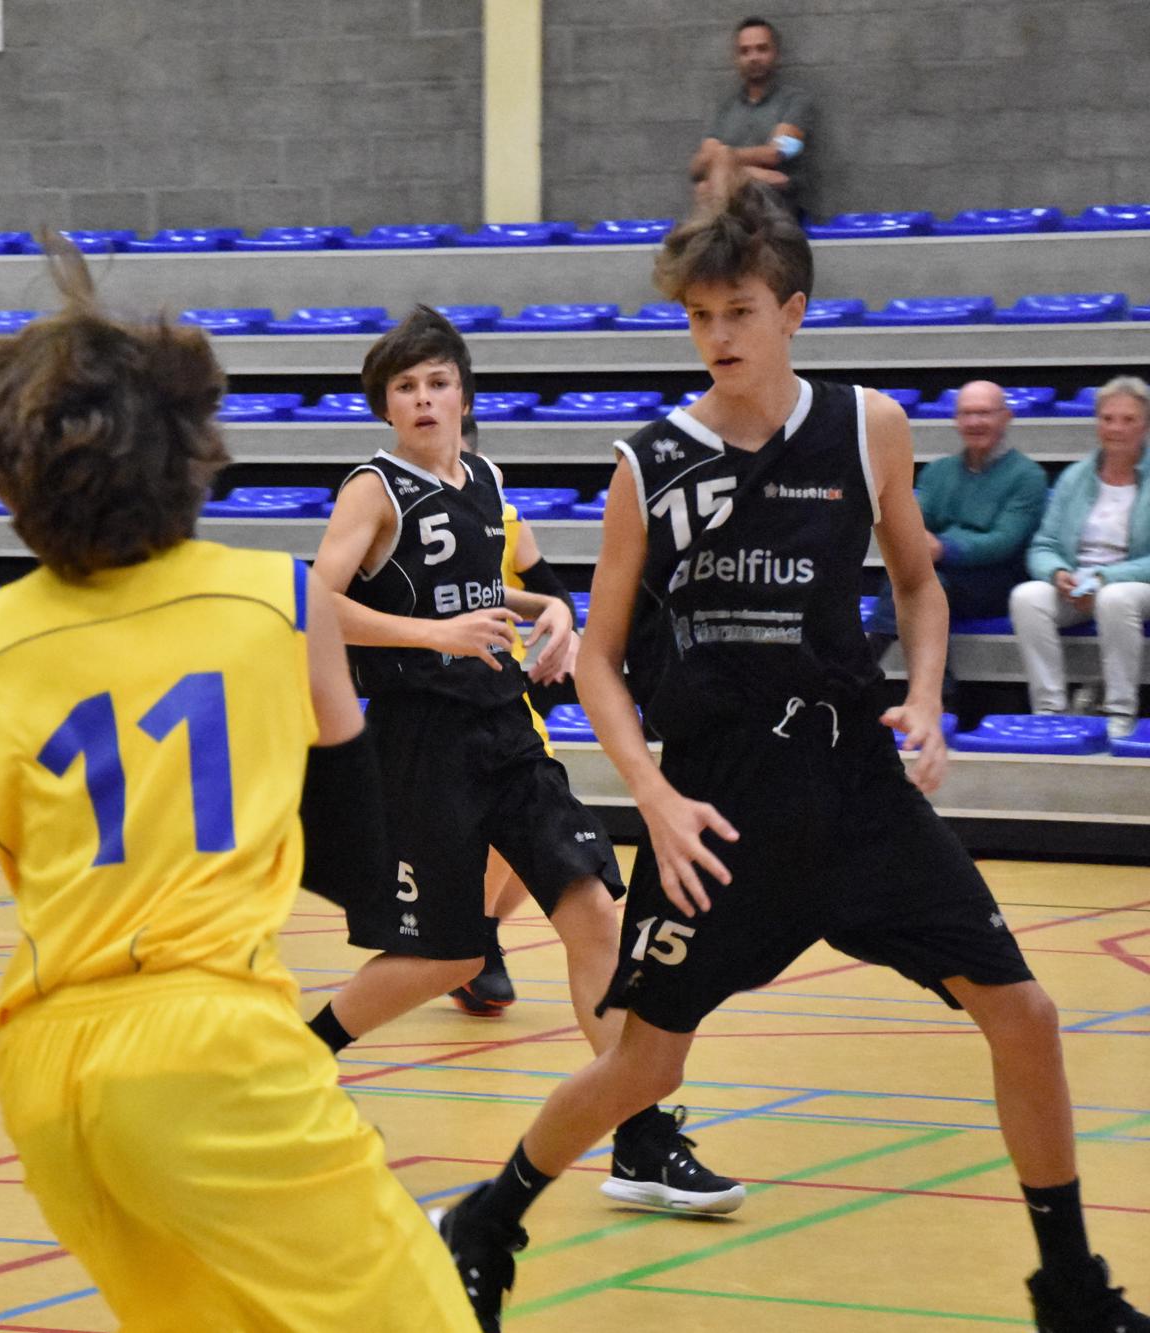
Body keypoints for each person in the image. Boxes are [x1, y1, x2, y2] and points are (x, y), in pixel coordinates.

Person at [433, 153, 1149, 1333]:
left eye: (738, 312)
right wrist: (651, 796)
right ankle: (484, 1219)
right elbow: (597, 658)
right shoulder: (649, 462)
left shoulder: (866, 427)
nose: (715, 336)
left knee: (1021, 1013)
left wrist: (926, 697)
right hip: (717, 807)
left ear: (792, 311)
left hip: (853, 786)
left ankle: (1067, 1286)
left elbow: (916, 584)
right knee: (643, 1066)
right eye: (697, 317)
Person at [0, 240, 478, 1329]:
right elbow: (355, 853)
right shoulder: (282, 601)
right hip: (211, 1046)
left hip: (49, 1077)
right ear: (193, 450)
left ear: (6, 482)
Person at [304, 307, 743, 1215]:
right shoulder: (374, 490)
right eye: (406, 387)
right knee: (442, 957)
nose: (425, 399)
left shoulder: (484, 480)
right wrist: (434, 633)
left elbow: (503, 586)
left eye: (438, 382)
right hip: (421, 742)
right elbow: (317, 602)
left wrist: (556, 616)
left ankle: (641, 1139)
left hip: (505, 730)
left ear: (464, 393)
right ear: (385, 406)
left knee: (595, 916)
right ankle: (295, 1059)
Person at [449, 503, 583, 1018]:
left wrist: (563, 629)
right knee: (512, 828)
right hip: (441, 692)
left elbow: (554, 595)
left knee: (543, 836)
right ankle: (471, 936)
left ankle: (476, 935)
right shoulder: (404, 508)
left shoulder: (506, 518)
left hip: (505, 696)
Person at [865, 380, 1047, 714]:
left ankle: (866, 663)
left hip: (997, 581)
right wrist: (918, 542)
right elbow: (916, 521)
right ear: (956, 420)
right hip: (942, 575)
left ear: (1006, 417)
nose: (975, 422)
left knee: (920, 584)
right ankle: (939, 694)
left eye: (984, 413)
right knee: (916, 581)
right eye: (967, 414)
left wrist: (943, 549)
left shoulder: (1028, 476)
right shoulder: (938, 471)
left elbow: (1003, 542)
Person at [1009, 376, 1150, 740]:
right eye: (1107, 418)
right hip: (1077, 583)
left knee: (1115, 598)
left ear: (1145, 426)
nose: (1116, 428)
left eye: (1128, 419)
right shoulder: (1075, 477)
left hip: (1134, 585)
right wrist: (1057, 573)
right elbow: (1043, 545)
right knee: (1026, 597)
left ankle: (1120, 710)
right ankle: (1050, 710)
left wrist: (1104, 578)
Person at [691, 16, 817, 217]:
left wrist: (725, 157)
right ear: (736, 58)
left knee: (712, 184)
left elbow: (776, 154)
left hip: (780, 207)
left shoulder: (796, 101)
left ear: (776, 53)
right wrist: (750, 171)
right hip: (734, 201)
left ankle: (718, 229)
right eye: (745, 51)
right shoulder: (725, 108)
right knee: (703, 188)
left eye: (762, 49)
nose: (753, 57)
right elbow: (697, 168)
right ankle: (720, 230)